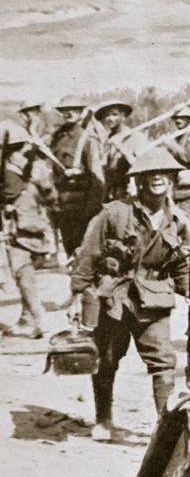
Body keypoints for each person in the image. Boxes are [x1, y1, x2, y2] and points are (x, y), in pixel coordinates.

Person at [70, 148, 190, 442]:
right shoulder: (114, 213)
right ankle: (103, 419)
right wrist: (76, 295)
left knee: (164, 362)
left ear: (173, 180)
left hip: (154, 300)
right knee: (107, 359)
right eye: (151, 174)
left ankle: (164, 433)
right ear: (139, 180)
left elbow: (182, 262)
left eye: (164, 174)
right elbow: (89, 254)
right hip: (116, 298)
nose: (158, 179)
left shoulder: (178, 220)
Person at [1, 123, 56, 338]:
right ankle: (27, 318)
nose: (15, 152)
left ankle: (39, 318)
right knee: (25, 272)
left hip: (26, 226)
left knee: (23, 272)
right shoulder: (34, 166)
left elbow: (51, 196)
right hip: (21, 225)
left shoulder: (34, 168)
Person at [47, 95, 98, 254]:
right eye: (64, 110)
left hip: (81, 205)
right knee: (69, 248)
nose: (68, 113)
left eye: (73, 110)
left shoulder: (87, 138)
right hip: (61, 205)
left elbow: (97, 177)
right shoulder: (57, 138)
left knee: (84, 252)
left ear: (81, 112)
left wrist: (91, 209)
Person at [89, 99, 139, 204]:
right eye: (106, 116)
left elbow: (141, 165)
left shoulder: (134, 137)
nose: (109, 119)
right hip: (112, 194)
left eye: (114, 114)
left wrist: (120, 147)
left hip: (130, 193)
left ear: (123, 116)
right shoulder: (109, 139)